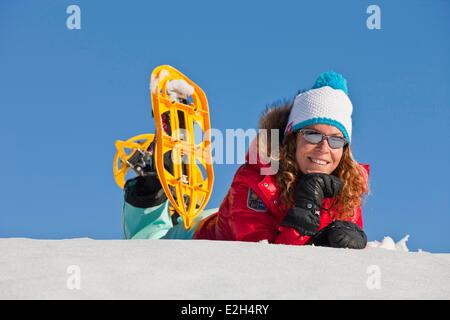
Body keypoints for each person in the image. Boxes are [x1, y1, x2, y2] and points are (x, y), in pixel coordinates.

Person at [122, 71, 370, 249]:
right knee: (148, 243)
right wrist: (305, 210)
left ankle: (171, 201)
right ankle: (151, 181)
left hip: (227, 214)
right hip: (200, 236)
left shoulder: (347, 186)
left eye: (336, 140)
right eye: (313, 134)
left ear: (345, 149)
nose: (324, 148)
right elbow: (260, 263)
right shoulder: (255, 179)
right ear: (292, 138)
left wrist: (342, 240)